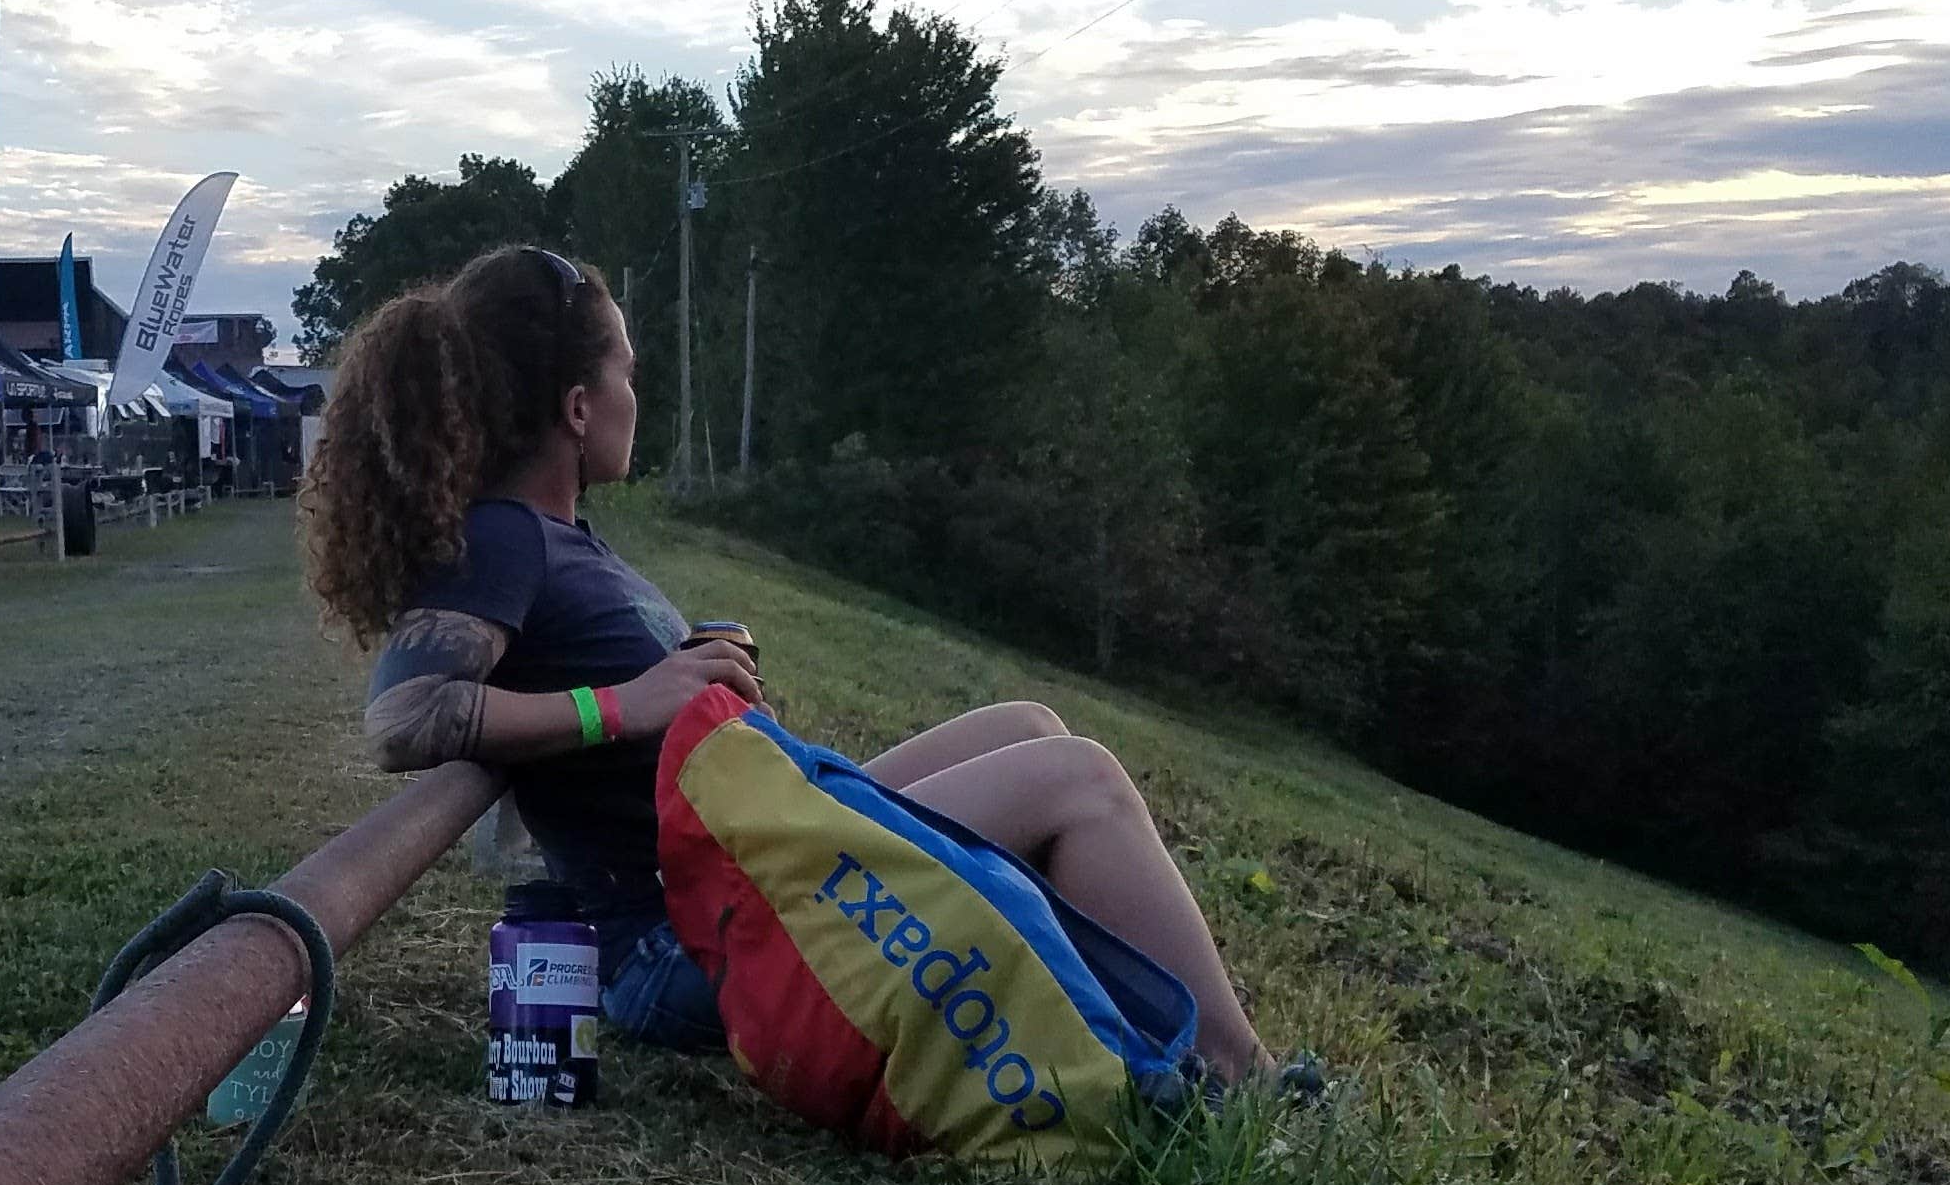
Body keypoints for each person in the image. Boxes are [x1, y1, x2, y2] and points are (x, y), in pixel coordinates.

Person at [303, 244, 1278, 1082]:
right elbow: (406, 716)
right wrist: (631, 702)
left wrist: (689, 673)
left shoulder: (561, 539)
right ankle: (1242, 1081)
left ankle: (1124, 1025)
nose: (635, 396)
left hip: (761, 848)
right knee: (1080, 779)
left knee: (1028, 728)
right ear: (576, 406)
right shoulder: (507, 537)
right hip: (690, 929)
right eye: (627, 374)